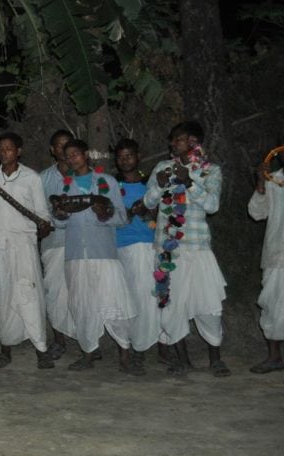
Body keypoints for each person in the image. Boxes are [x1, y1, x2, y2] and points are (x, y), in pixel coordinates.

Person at [142, 121, 230, 377]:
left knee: (209, 306)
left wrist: (189, 182)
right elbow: (147, 202)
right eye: (172, 140)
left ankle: (216, 359)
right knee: (170, 306)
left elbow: (213, 205)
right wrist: (159, 186)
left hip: (198, 248)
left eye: (177, 139)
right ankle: (182, 359)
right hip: (167, 251)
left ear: (193, 142)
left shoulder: (210, 170)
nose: (172, 144)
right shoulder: (162, 167)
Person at [50, 140, 140, 374]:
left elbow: (122, 217)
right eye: (68, 156)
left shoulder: (106, 182)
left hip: (104, 255)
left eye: (75, 154)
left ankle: (125, 355)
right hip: (76, 257)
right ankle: (87, 353)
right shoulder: (65, 187)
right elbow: (59, 224)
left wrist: (104, 214)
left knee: (116, 302)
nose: (72, 159)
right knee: (82, 306)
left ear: (86, 155)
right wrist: (58, 215)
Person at [0, 133, 55, 369]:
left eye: (8, 149)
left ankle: (41, 350)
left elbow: (43, 215)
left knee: (29, 295)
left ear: (19, 151)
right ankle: (5, 349)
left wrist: (43, 228)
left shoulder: (31, 178)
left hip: (24, 247)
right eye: (0, 149)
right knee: (2, 296)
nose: (3, 152)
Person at [114, 139, 161, 365]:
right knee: (128, 298)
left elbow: (162, 215)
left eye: (129, 155)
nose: (125, 160)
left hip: (146, 246)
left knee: (147, 296)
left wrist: (146, 212)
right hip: (119, 247)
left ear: (138, 156)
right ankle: (133, 344)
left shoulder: (149, 185)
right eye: (120, 156)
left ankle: (146, 345)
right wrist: (127, 214)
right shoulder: (111, 184)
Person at [38, 130, 76, 360]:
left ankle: (87, 341)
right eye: (58, 146)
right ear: (52, 150)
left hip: (81, 244)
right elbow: (38, 211)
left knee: (81, 291)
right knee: (54, 292)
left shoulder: (85, 175)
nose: (63, 150)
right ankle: (59, 339)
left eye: (67, 145)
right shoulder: (43, 178)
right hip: (54, 243)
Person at [248, 152, 284, 373]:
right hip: (277, 254)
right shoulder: (275, 180)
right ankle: (275, 357)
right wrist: (261, 181)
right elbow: (257, 212)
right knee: (271, 305)